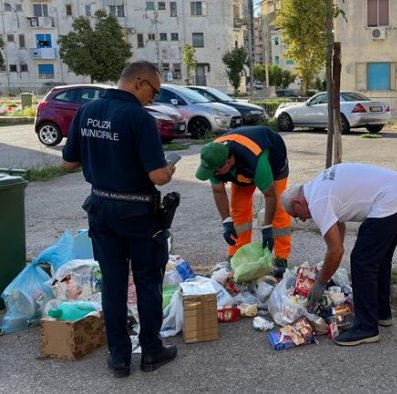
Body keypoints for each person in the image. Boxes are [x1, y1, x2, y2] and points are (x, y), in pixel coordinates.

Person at [62, 61, 177, 378]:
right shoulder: (139, 118)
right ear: (140, 82)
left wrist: (103, 157)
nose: (153, 99)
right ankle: (152, 351)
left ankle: (119, 358)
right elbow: (158, 176)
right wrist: (168, 170)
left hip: (101, 208)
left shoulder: (86, 111)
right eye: (154, 91)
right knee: (147, 282)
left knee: (112, 286)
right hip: (138, 213)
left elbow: (68, 162)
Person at [280, 162, 397, 346]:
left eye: (296, 215)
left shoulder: (317, 201)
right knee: (379, 259)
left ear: (297, 203)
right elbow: (337, 230)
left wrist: (320, 282)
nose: (302, 219)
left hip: (388, 200)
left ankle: (366, 328)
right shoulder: (318, 186)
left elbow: (336, 251)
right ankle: (382, 313)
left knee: (362, 260)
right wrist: (330, 264)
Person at [195, 125, 291, 277]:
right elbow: (218, 190)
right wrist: (226, 222)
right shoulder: (214, 158)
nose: (214, 175)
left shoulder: (256, 162)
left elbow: (270, 195)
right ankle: (238, 254)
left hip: (273, 163)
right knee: (238, 209)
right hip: (241, 168)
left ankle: (281, 257)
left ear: (227, 162)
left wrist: (267, 228)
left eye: (215, 172)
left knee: (278, 209)